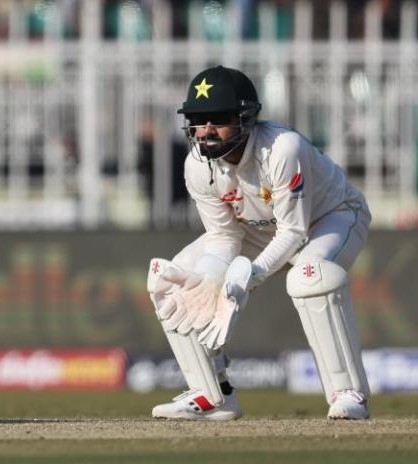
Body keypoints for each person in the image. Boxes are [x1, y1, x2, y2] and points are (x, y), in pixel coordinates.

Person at [147, 65, 371, 420]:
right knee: (176, 280)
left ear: (245, 118)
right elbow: (224, 236)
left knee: (309, 277)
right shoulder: (196, 166)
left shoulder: (282, 148)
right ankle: (212, 394)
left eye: (217, 119)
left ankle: (348, 393)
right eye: (197, 120)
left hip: (329, 218)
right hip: (256, 230)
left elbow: (294, 233)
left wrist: (247, 276)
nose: (206, 131)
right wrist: (210, 282)